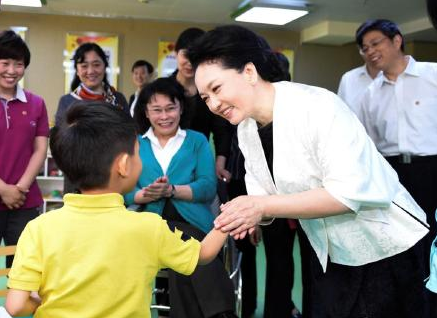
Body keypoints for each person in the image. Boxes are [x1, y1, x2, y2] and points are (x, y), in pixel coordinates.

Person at [187, 24, 430, 318]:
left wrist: (260, 206)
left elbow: (346, 194)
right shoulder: (247, 130)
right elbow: (262, 196)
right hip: (331, 252)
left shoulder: (317, 107)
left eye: (216, 89)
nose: (213, 104)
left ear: (249, 72)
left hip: (387, 248)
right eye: (205, 98)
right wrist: (240, 216)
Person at [5, 102, 229, 318]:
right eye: (137, 153)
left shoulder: (38, 228)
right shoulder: (148, 227)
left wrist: (37, 301)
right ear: (123, 165)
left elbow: (15, 306)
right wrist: (231, 214)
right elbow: (203, 253)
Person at [125, 77, 237, 318]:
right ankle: (222, 313)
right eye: (157, 110)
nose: (164, 116)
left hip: (191, 221)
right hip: (148, 224)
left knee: (181, 251)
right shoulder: (135, 144)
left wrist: (172, 190)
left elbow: (208, 187)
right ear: (146, 112)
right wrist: (144, 195)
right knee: (188, 246)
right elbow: (124, 191)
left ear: (181, 108)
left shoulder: (197, 141)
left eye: (170, 108)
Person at [355, 18, 437, 318]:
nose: (370, 52)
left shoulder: (433, 75)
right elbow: (370, 146)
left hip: (433, 169)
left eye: (375, 43)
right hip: (394, 176)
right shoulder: (369, 95)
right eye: (364, 49)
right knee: (403, 245)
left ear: (397, 40)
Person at [0, 30, 49, 268]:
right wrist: (3, 189)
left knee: (21, 268)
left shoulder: (36, 103)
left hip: (24, 202)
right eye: (5, 62)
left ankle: (13, 308)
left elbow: (40, 149)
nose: (11, 70)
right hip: (7, 193)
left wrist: (19, 189)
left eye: (18, 64)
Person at [54, 42, 129, 193]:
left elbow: (130, 136)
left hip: (114, 179)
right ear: (76, 69)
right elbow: (60, 144)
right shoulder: (67, 102)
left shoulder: (118, 99)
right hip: (78, 182)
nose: (91, 71)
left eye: (96, 64)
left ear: (104, 66)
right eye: (84, 66)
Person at [171, 27, 231, 181]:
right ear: (175, 53)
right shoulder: (162, 89)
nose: (190, 63)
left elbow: (221, 129)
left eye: (196, 57)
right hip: (166, 164)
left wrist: (220, 162)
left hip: (200, 164)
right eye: (185, 55)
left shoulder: (212, 91)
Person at [337, 48, 380, 115]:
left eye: (375, 44)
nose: (370, 52)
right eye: (365, 47)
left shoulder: (397, 76)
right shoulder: (348, 78)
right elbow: (340, 114)